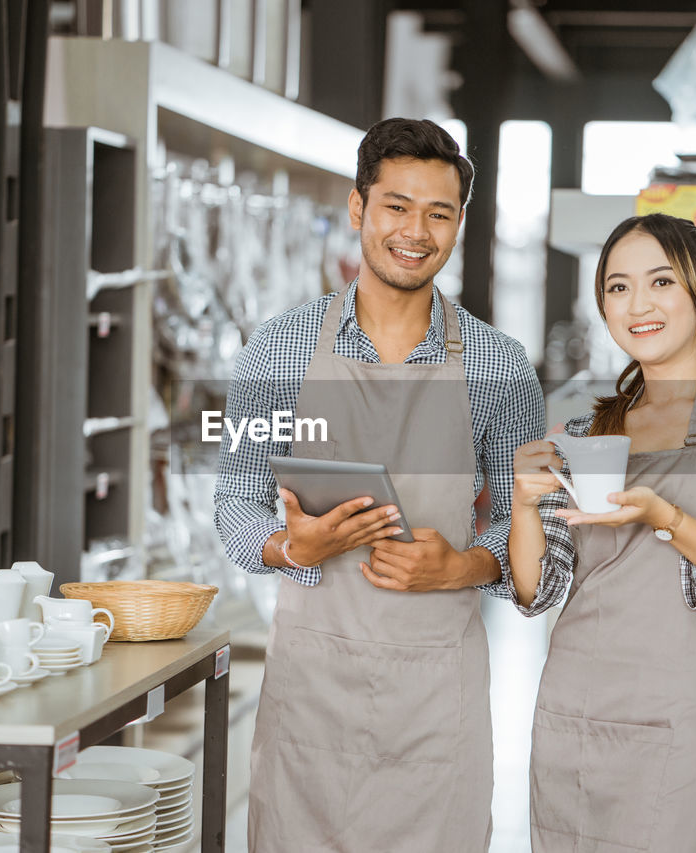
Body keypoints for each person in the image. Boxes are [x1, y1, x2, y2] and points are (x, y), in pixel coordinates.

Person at [214, 117, 545, 852]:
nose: (417, 231)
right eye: (397, 206)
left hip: (435, 700)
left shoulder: (502, 365)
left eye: (440, 212)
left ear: (460, 221)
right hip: (310, 696)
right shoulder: (278, 346)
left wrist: (464, 564)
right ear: (359, 208)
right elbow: (234, 496)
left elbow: (528, 528)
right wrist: (286, 545)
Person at [508, 213, 696, 853]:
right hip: (577, 721)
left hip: (688, 731)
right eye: (617, 288)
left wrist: (665, 517)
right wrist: (523, 501)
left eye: (660, 283)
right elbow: (539, 589)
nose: (637, 305)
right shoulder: (587, 430)